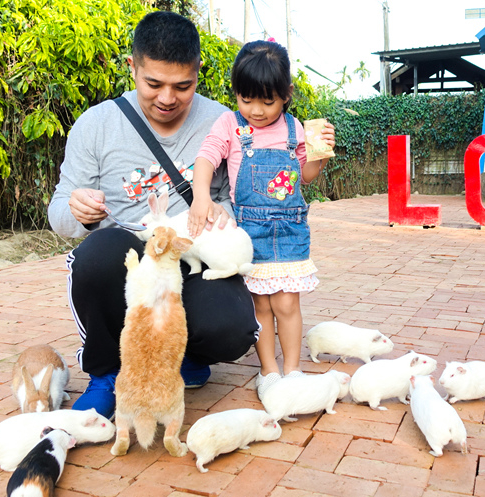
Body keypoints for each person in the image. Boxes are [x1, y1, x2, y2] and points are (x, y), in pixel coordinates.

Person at [47, 11, 259, 419]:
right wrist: (80, 210)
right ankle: (109, 373)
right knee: (98, 254)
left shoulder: (223, 122)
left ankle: (185, 353)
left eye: (183, 86)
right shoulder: (96, 125)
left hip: (191, 254)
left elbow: (241, 196)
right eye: (153, 84)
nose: (167, 98)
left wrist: (223, 214)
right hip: (128, 256)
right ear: (133, 67)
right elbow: (59, 215)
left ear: (199, 71)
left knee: (233, 328)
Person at [187, 40, 336, 400]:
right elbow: (206, 159)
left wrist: (321, 154)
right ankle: (268, 371)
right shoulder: (229, 124)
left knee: (287, 304)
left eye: (267, 101)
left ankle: (293, 370)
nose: (255, 110)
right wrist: (201, 197)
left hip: (288, 230)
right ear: (236, 94)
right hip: (249, 231)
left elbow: (305, 176)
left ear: (286, 94)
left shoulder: (294, 128)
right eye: (246, 99)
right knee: (261, 306)